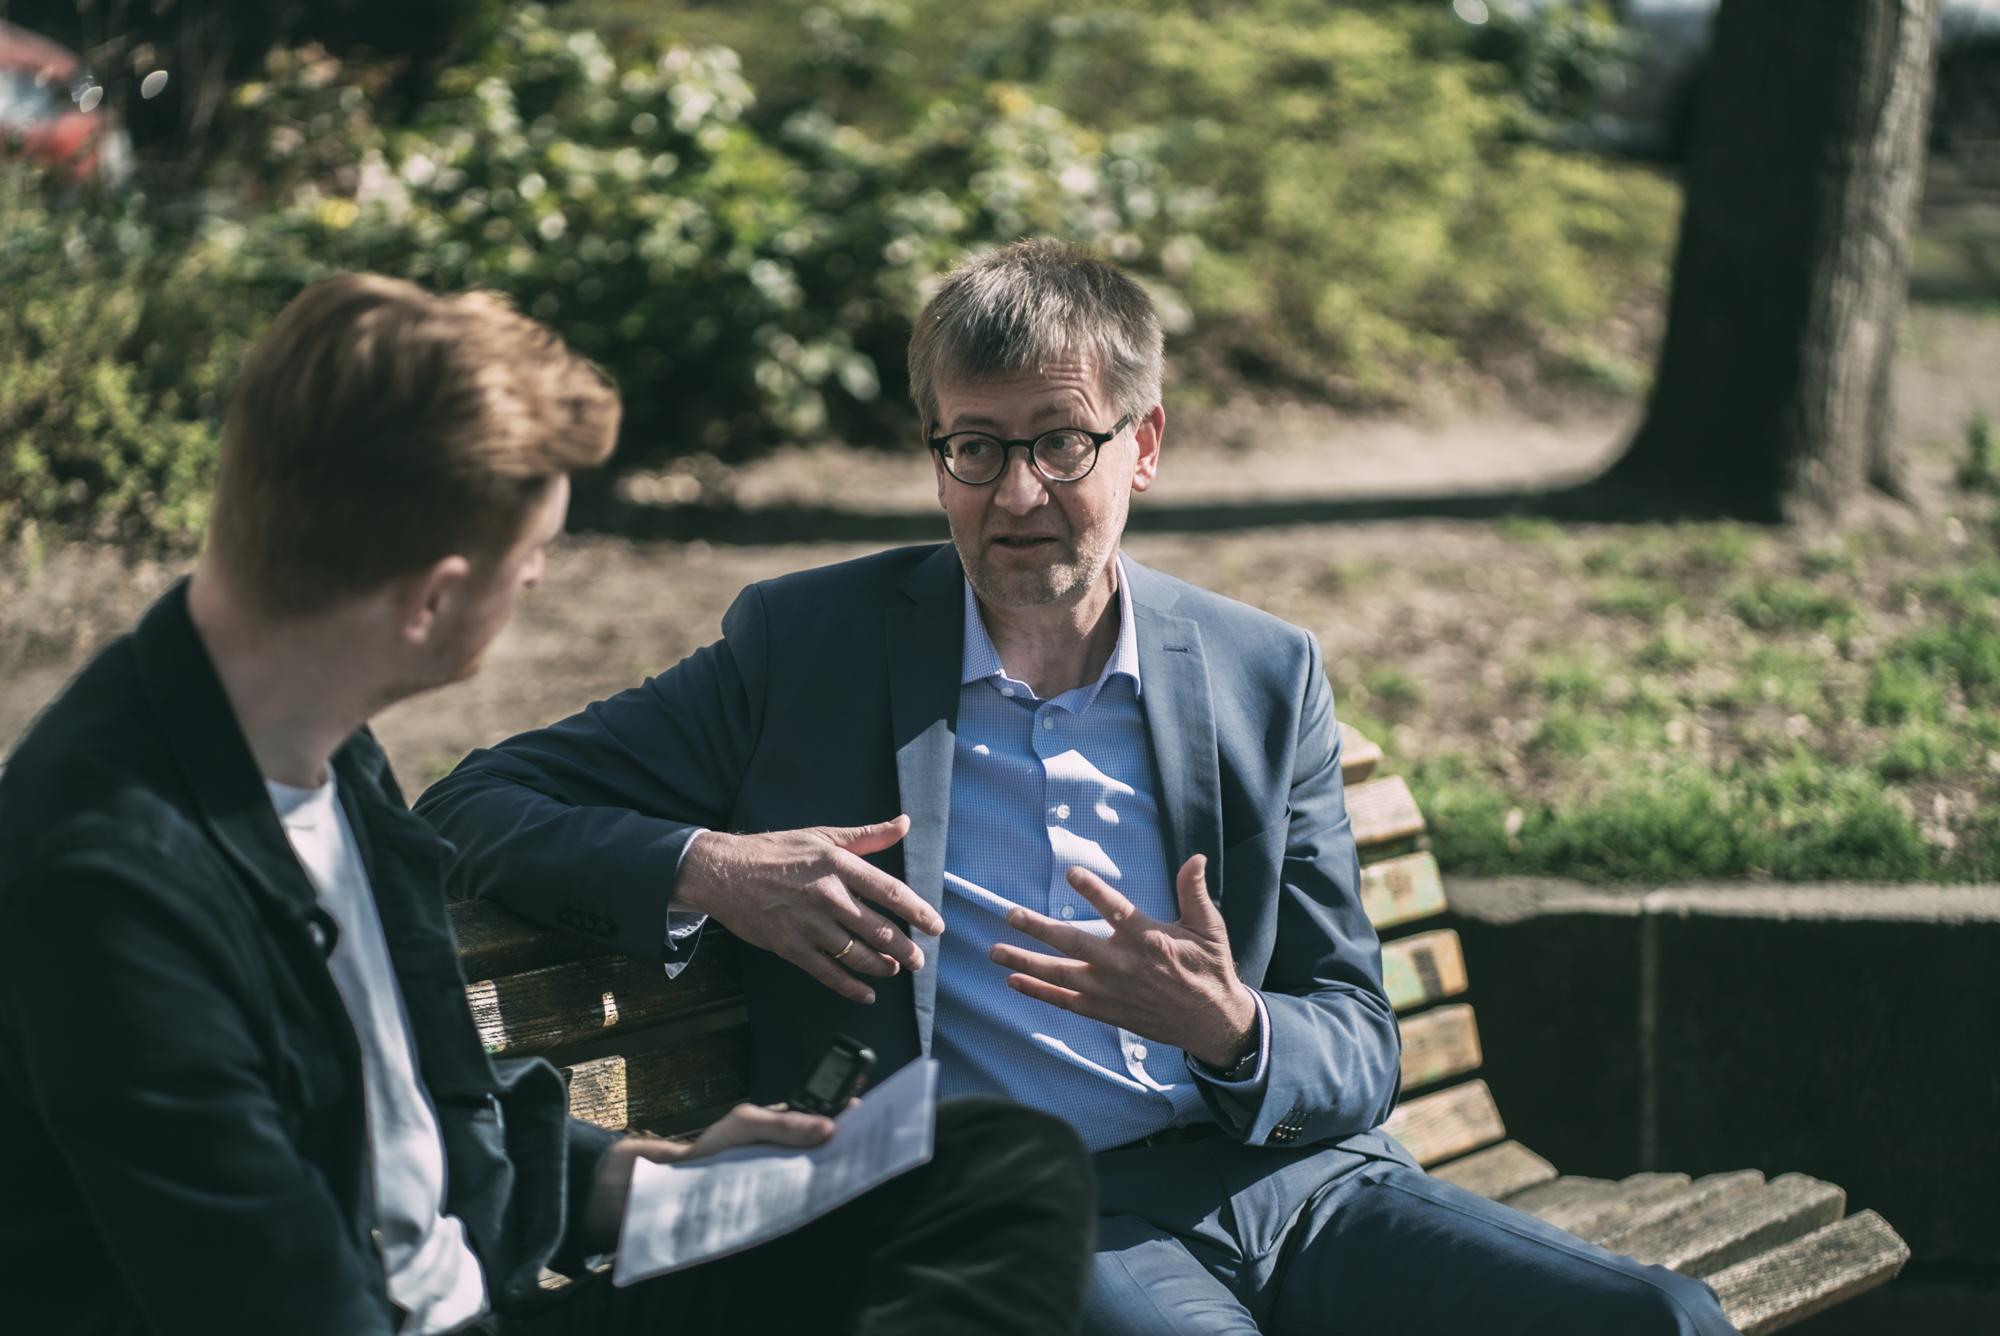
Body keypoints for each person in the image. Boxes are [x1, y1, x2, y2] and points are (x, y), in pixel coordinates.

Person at [416, 242, 1737, 1335]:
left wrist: (1231, 1028)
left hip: (1302, 1185)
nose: (1018, 495)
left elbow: (1359, 1042)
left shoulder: (1259, 675)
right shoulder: (805, 650)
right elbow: (476, 803)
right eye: (974, 449)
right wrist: (711, 869)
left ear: (1143, 442)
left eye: (1061, 441)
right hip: (1046, 1213)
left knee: (1664, 1322)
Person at [0, 274, 1098, 1336]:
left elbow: (411, 1110)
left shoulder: (307, 738)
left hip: (487, 1296)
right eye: (529, 556)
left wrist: (646, 1176)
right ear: (430, 599)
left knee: (999, 1170)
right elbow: (266, 1293)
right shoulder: (108, 878)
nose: (534, 582)